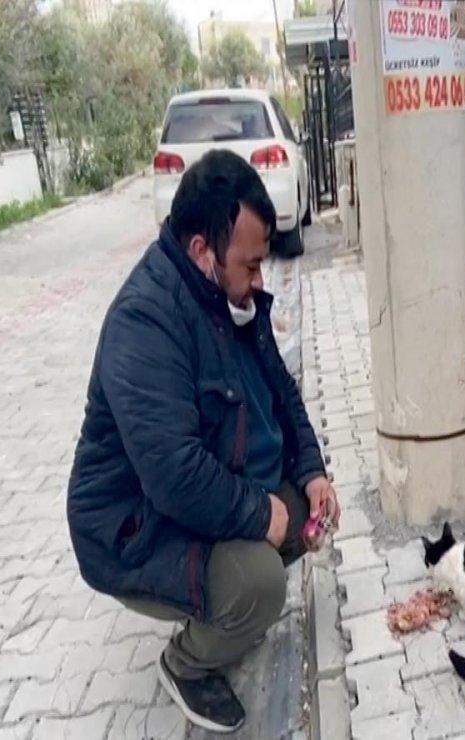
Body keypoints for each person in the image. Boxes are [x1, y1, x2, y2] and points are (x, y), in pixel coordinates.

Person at [66, 150, 339, 733]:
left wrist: (312, 471)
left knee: (296, 512)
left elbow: (282, 391)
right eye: (250, 265)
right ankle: (186, 664)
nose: (260, 280)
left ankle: (222, 603)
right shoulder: (145, 321)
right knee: (261, 582)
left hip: (187, 498)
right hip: (132, 529)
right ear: (200, 250)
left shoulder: (224, 296)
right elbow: (173, 473)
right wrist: (254, 511)